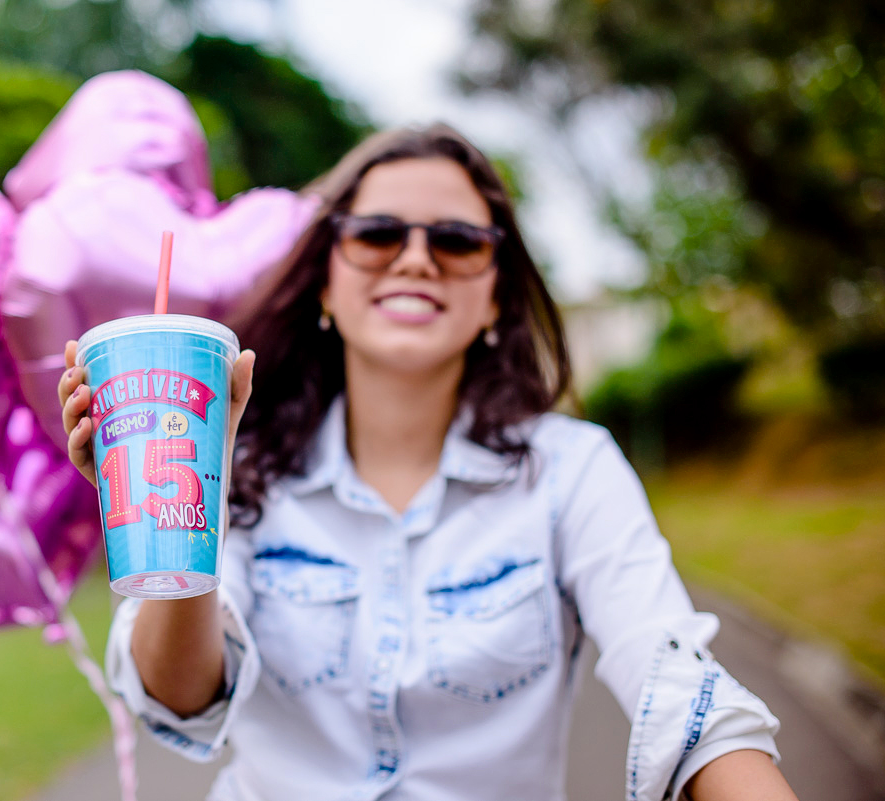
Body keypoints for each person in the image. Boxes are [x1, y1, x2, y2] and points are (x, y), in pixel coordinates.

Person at [58, 124, 798, 801]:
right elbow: (180, 696)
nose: (416, 258)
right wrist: (191, 502)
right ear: (326, 281)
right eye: (378, 234)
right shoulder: (240, 465)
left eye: (457, 241)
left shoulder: (571, 468)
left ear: (496, 296)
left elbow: (674, 676)